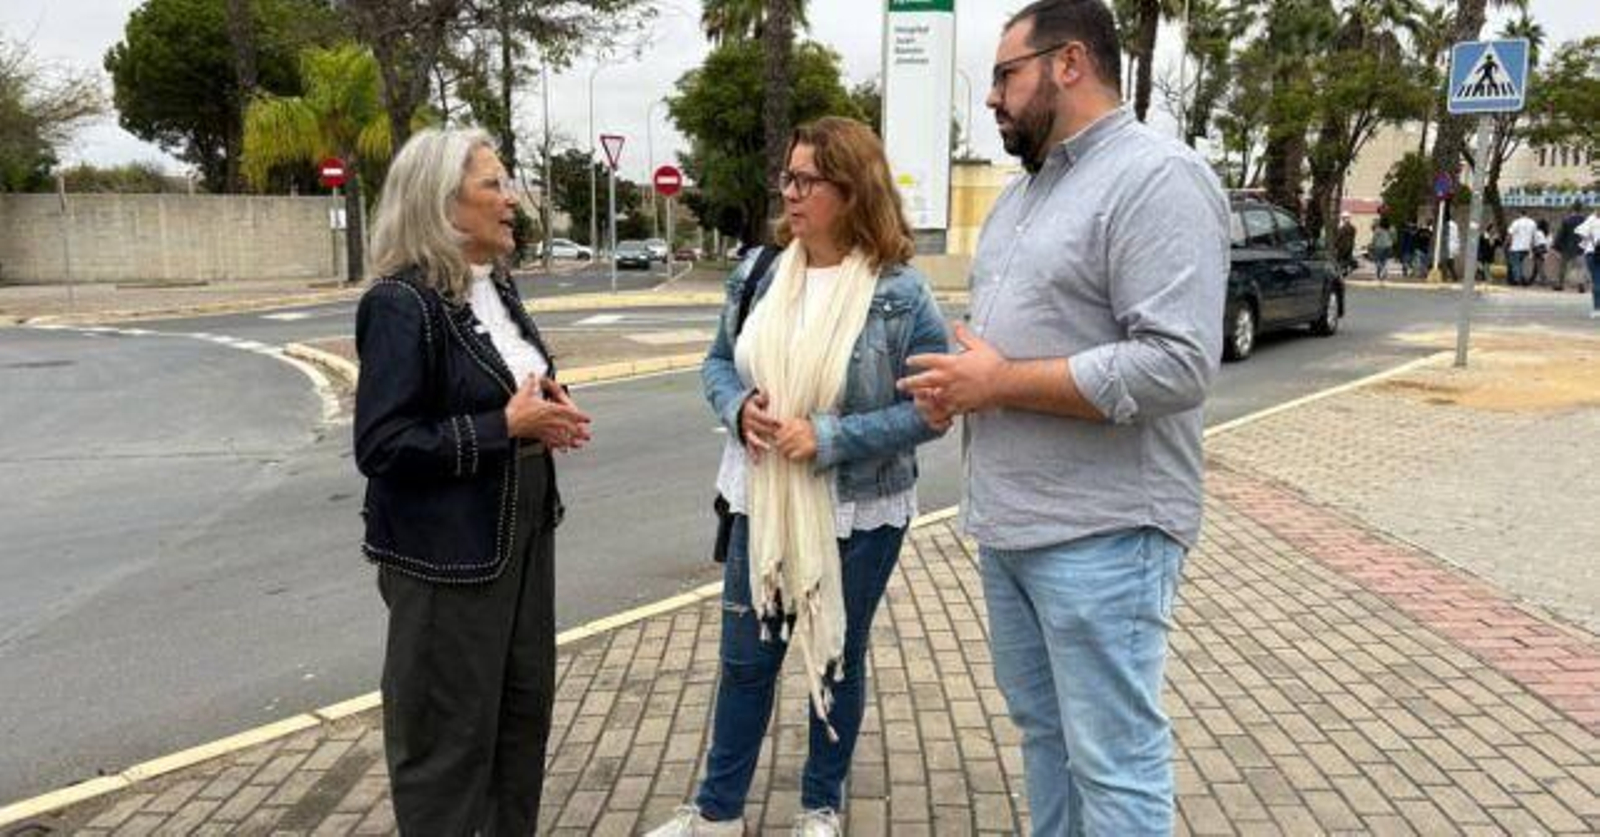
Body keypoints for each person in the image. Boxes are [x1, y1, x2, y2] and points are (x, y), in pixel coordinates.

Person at [899, 1, 1227, 832]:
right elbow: (1016, 347)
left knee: (1113, 762)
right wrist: (964, 383)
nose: (992, 97)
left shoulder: (1157, 178)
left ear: (1069, 63)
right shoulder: (1022, 197)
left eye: (1005, 76)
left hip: (1104, 532)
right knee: (1046, 738)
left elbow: (1178, 363)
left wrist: (1001, 382)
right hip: (1011, 526)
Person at [648, 116, 951, 837]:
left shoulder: (900, 293)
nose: (789, 191)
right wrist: (737, 406)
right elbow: (716, 363)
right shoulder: (758, 272)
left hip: (859, 508)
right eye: (788, 176)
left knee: (835, 654)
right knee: (745, 661)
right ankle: (717, 812)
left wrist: (829, 437)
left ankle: (820, 805)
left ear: (852, 190)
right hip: (759, 498)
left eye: (807, 179)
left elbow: (933, 410)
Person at [354, 127, 593, 835]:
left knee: (519, 719)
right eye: (494, 184)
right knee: (446, 742)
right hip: (447, 559)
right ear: (442, 204)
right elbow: (382, 444)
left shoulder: (494, 286)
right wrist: (504, 427)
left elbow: (500, 387)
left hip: (522, 536)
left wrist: (546, 412)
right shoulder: (402, 303)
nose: (511, 198)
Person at [1556, 203, 1587, 290]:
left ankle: (1560, 284)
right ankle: (1581, 284)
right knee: (1580, 267)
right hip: (1580, 247)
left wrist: (1557, 246)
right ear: (1581, 209)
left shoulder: (1566, 220)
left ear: (1572, 209)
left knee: (1563, 266)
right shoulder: (1585, 220)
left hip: (1567, 247)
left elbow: (1561, 234)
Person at [1577, 206, 1600, 318]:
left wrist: (1590, 238)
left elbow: (1580, 232)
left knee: (1596, 280)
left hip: (1592, 252)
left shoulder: (1592, 219)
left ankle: (1597, 309)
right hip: (1593, 252)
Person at [1506, 209, 1537, 286]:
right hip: (1527, 247)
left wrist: (1508, 243)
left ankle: (1519, 279)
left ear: (1520, 214)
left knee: (1515, 263)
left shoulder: (1516, 222)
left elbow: (1510, 234)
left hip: (1516, 247)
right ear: (1527, 214)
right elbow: (1534, 236)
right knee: (1521, 264)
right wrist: (1532, 247)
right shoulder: (1532, 223)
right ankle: (1522, 278)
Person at [1370, 217, 1395, 283]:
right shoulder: (1392, 229)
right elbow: (1394, 238)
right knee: (1385, 260)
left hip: (1379, 246)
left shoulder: (1378, 229)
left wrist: (1372, 244)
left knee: (1378, 260)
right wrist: (1392, 243)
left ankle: (1381, 269)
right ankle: (1383, 270)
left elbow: (1374, 238)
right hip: (1388, 246)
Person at [1531, 218, 1550, 287]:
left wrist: (1533, 250)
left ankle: (1544, 280)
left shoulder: (1537, 232)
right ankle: (1531, 279)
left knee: (1539, 265)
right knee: (1537, 265)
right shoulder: (1546, 233)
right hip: (1544, 249)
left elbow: (1535, 242)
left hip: (1538, 248)